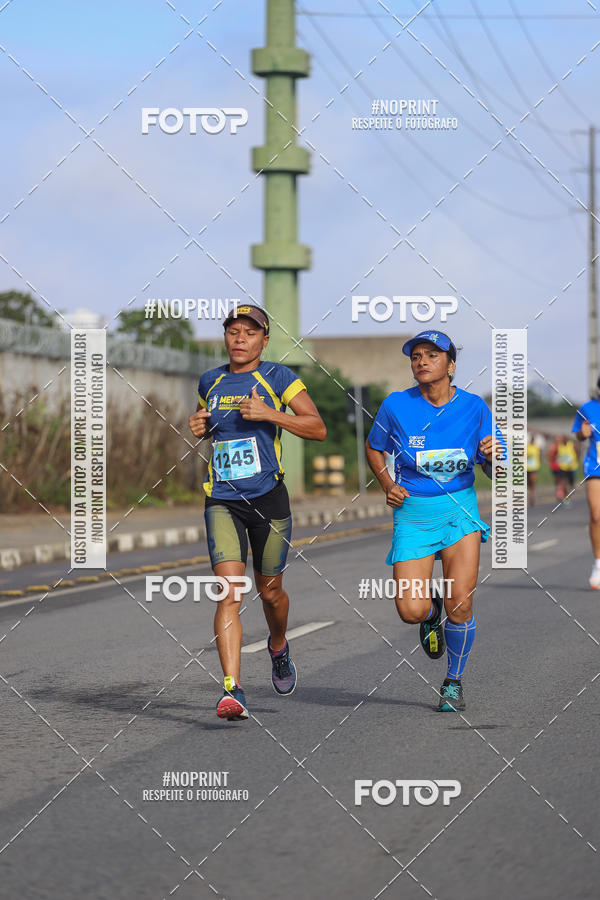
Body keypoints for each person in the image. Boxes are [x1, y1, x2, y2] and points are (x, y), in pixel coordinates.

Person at [188, 305, 326, 720]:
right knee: (229, 591)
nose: (240, 338)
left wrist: (270, 413)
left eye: (250, 332)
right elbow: (210, 427)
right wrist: (197, 426)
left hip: (268, 499)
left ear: (264, 340)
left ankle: (279, 646)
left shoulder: (279, 378)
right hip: (223, 501)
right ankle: (232, 690)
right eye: (233, 330)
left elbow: (316, 427)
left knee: (270, 592)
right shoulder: (209, 381)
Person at [365, 330, 503, 712]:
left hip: (459, 510)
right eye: (416, 356)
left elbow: (497, 472)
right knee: (410, 610)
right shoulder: (396, 405)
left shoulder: (475, 408)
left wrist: (491, 458)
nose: (422, 361)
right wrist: (387, 483)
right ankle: (431, 612)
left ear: (451, 365)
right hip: (413, 512)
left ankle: (453, 682)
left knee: (463, 606)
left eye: (431, 355)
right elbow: (375, 447)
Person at [572, 385, 600, 587]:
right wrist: (583, 433)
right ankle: (598, 564)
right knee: (596, 515)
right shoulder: (588, 408)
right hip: (595, 467)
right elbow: (578, 434)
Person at [555, 434, 579, 506]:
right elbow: (557, 455)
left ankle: (569, 494)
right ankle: (566, 497)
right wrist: (558, 460)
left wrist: (575, 460)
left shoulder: (572, 445)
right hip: (563, 468)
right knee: (564, 483)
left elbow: (577, 452)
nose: (563, 440)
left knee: (571, 484)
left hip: (572, 467)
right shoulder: (560, 446)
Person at [526, 435, 541, 506]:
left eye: (533, 439)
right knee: (528, 483)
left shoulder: (536, 448)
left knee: (532, 483)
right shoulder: (526, 447)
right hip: (527, 467)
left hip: (534, 468)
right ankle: (530, 495)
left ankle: (532, 496)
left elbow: (539, 456)